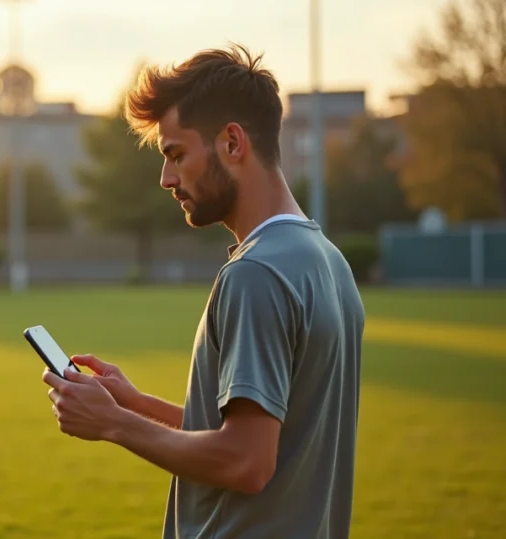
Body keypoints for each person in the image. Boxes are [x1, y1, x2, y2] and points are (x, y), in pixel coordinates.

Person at [41, 44, 364, 539]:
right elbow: (264, 437)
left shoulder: (256, 274)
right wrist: (133, 404)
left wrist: (114, 425)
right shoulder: (327, 261)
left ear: (232, 143)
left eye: (176, 154)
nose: (166, 178)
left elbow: (245, 463)